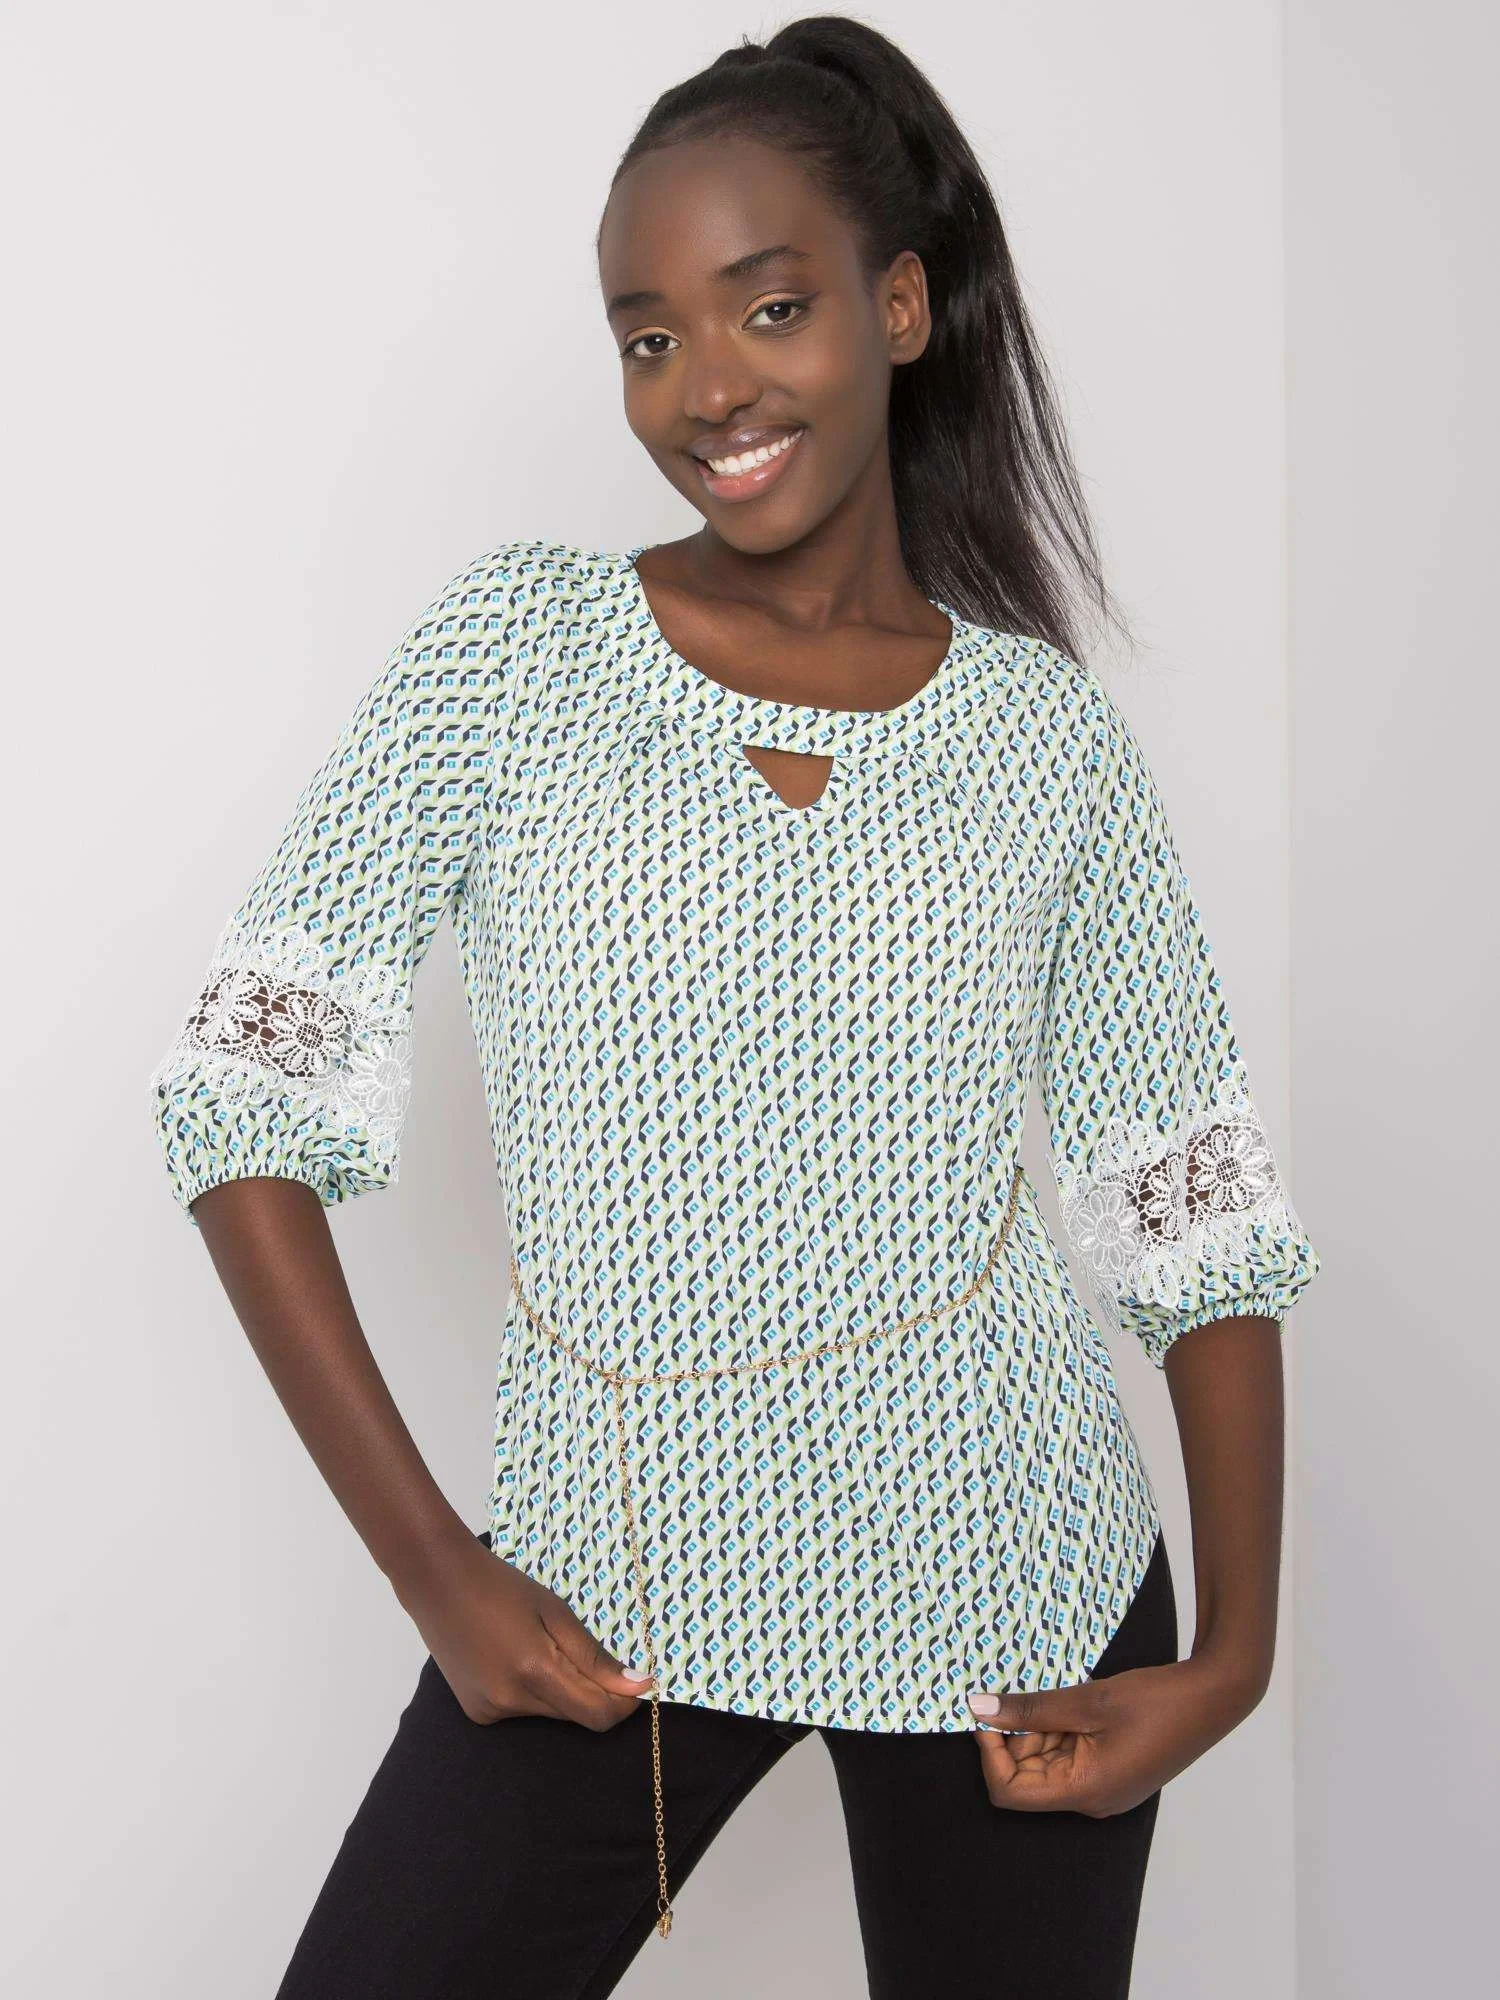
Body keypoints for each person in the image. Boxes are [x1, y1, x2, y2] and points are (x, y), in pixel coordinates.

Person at [147, 14, 1320, 1997]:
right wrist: (436, 1570)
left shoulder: (1042, 737)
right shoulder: (519, 650)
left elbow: (1194, 1211)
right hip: (606, 1577)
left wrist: (1233, 1658)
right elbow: (236, 1102)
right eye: (647, 336)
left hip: (1012, 1572)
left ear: (899, 305)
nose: (705, 388)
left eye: (768, 307)